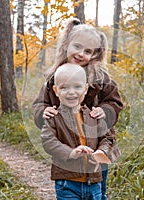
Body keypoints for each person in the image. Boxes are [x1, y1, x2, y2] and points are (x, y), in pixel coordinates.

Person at [33, 17, 123, 199]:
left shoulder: (100, 78)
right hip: (68, 146)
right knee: (70, 188)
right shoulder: (54, 78)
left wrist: (104, 111)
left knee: (99, 189)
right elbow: (39, 104)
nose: (81, 54)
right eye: (77, 47)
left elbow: (115, 102)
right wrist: (43, 112)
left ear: (95, 54)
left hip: (98, 144)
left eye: (88, 51)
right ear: (67, 44)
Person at [41, 63, 116, 200]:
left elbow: (107, 138)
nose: (71, 92)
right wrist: (70, 152)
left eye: (77, 87)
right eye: (64, 87)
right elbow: (48, 140)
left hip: (94, 181)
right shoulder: (54, 117)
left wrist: (101, 152)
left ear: (85, 89)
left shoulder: (93, 115)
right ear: (56, 91)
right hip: (67, 182)